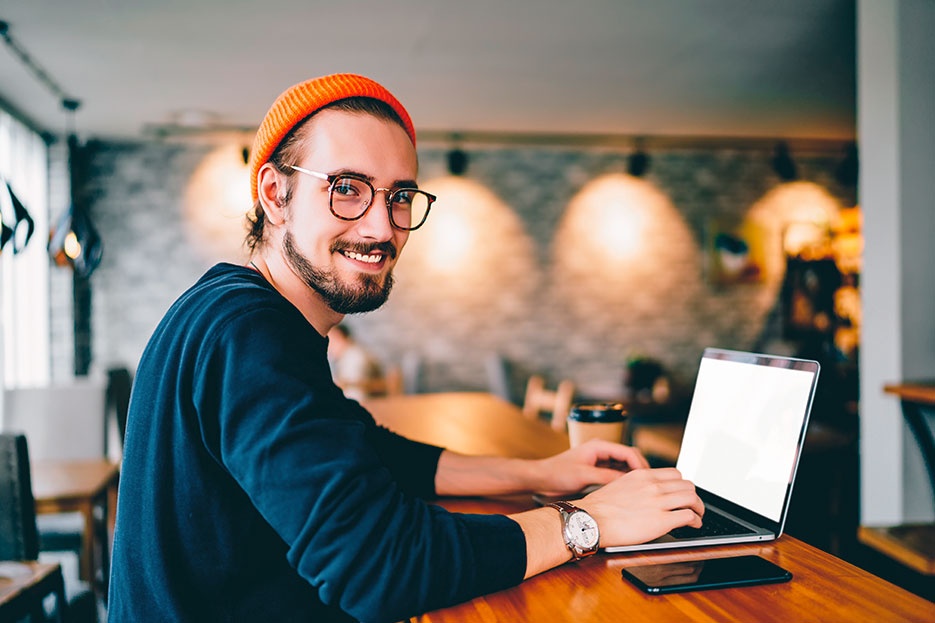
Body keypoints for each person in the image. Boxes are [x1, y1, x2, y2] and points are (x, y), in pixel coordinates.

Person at [108, 73, 704, 622]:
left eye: (398, 196)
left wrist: (538, 472)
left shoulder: (236, 306)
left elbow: (371, 450)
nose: (380, 227)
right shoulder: (249, 331)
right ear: (275, 193)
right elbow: (381, 566)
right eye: (347, 189)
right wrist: (587, 522)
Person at [327, 323, 384, 401]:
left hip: (368, 403)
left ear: (339, 336)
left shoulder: (354, 357)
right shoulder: (350, 355)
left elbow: (354, 394)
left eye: (331, 340)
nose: (328, 347)